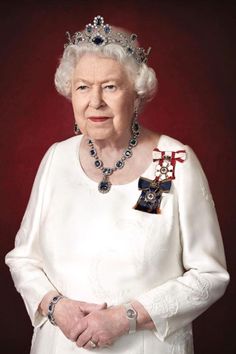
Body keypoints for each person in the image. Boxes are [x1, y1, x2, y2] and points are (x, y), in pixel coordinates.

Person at [5, 15, 229, 354]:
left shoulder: (169, 161)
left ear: (136, 95)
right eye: (83, 87)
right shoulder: (56, 159)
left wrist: (127, 317)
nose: (95, 102)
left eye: (110, 86)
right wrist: (56, 307)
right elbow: (22, 258)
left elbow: (209, 275)